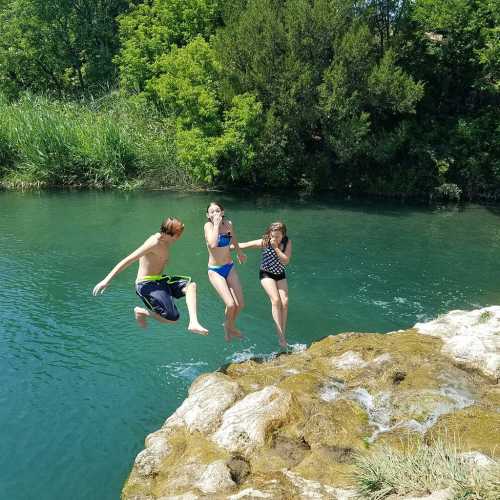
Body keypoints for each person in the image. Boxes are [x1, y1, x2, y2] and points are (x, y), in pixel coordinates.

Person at [92, 217, 208, 335]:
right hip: (146, 285)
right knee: (172, 319)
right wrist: (106, 280)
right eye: (177, 235)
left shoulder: (166, 240)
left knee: (191, 285)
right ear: (168, 233)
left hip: (160, 280)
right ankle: (141, 312)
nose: (178, 238)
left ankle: (193, 322)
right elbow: (128, 260)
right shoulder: (153, 242)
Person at [238, 222, 292, 347]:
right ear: (269, 234)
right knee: (276, 300)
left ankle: (282, 335)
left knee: (285, 302)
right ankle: (281, 337)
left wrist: (276, 248)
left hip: (280, 273)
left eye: (278, 236)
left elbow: (286, 260)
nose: (274, 239)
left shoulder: (287, 242)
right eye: (272, 236)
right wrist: (226, 247)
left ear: (283, 235)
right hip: (266, 273)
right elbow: (245, 245)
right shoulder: (265, 241)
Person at [204, 201, 246, 341]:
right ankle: (229, 327)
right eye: (212, 211)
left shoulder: (228, 224)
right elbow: (213, 244)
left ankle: (228, 326)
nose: (215, 213)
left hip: (230, 267)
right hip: (215, 270)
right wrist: (216, 225)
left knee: (240, 305)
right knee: (230, 304)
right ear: (208, 215)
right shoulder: (208, 226)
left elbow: (233, 238)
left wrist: (239, 252)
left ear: (222, 212)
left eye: (217, 211)